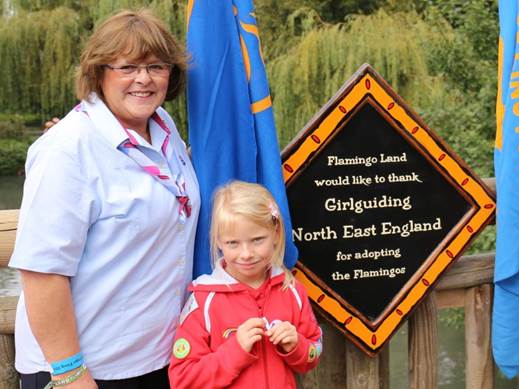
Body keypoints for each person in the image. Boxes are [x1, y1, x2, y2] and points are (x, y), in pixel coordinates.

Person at [10, 9, 199, 388]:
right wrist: (71, 374)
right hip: (86, 370)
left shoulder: (165, 129)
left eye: (157, 66)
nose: (143, 79)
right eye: (127, 66)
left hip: (157, 357)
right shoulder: (66, 150)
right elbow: (41, 271)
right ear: (99, 73)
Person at [168, 181, 321, 388]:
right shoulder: (203, 301)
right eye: (233, 243)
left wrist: (297, 345)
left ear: (276, 234)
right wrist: (236, 350)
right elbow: (183, 380)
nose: (246, 254)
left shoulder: (291, 289)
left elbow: (313, 353)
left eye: (257, 240)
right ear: (219, 241)